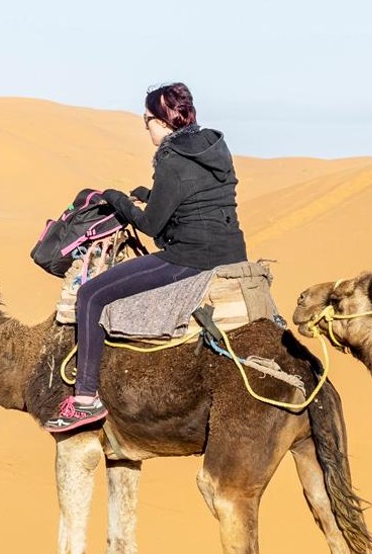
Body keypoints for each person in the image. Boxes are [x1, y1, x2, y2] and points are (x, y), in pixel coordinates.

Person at [44, 82, 248, 433]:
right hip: (230, 249)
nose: (146, 127)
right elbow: (196, 196)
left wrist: (118, 199)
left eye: (148, 120)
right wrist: (151, 193)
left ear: (165, 121)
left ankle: (85, 400)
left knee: (90, 296)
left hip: (190, 256)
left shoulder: (171, 158)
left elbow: (152, 226)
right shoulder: (213, 147)